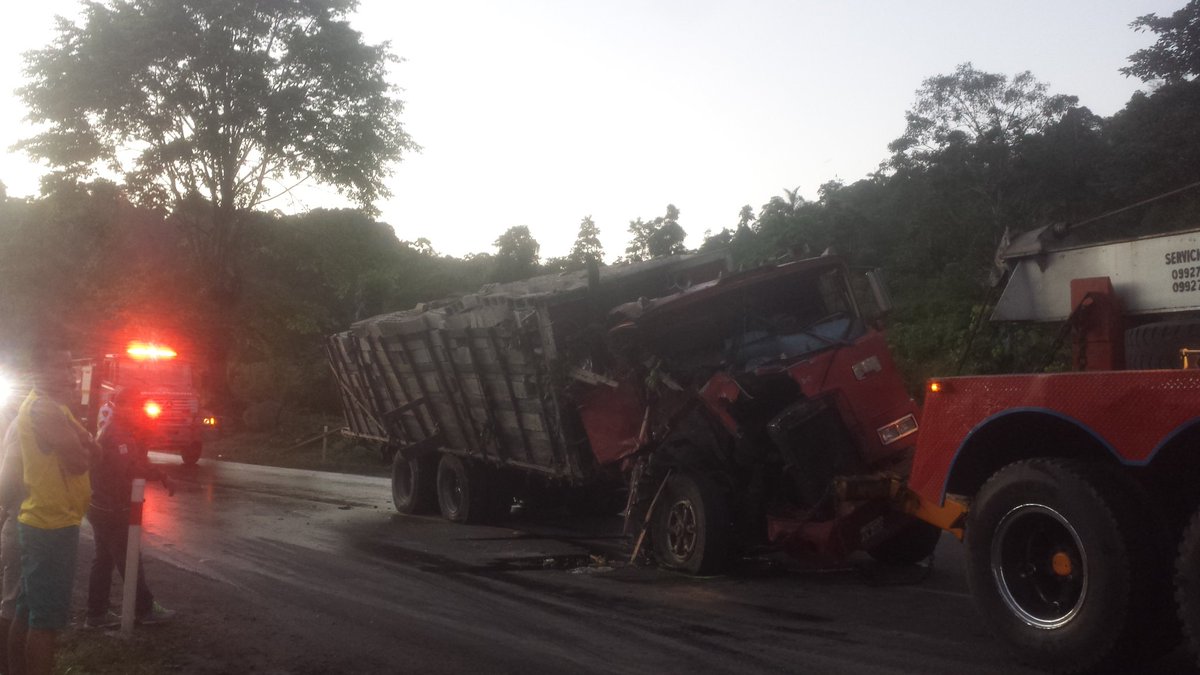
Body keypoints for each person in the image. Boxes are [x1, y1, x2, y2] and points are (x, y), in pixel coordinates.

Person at [7, 346, 94, 675]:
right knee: (45, 623)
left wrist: (84, 444)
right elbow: (81, 460)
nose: (70, 374)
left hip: (46, 522)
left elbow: (92, 448)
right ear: (39, 371)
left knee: (28, 608)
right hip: (50, 526)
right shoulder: (44, 409)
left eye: (70, 367)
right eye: (61, 366)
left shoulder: (57, 409)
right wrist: (84, 445)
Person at [84, 388, 174, 627]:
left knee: (103, 559)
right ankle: (144, 609)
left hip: (99, 506)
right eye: (133, 407)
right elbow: (132, 469)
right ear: (120, 407)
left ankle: (96, 614)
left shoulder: (118, 430)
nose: (137, 412)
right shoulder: (117, 434)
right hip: (111, 508)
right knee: (129, 557)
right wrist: (162, 475)